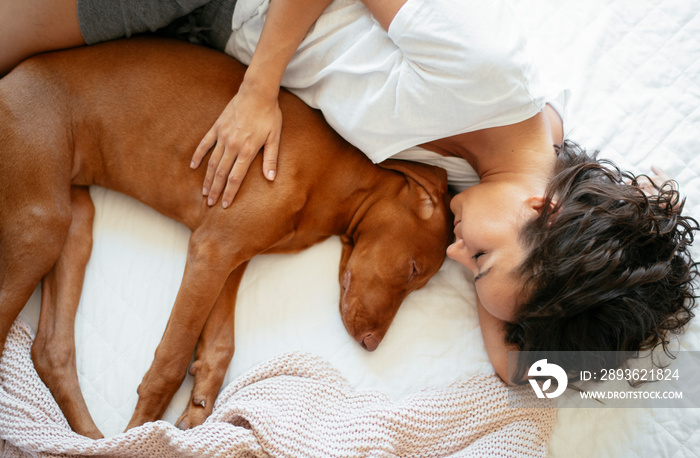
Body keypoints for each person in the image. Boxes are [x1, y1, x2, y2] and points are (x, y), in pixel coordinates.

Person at [2, 0, 697, 382]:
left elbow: (511, 366)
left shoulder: (480, 188)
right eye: (478, 259)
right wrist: (258, 91)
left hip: (207, 48)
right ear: (541, 211)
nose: (456, 255)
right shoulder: (488, 71)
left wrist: (564, 305)